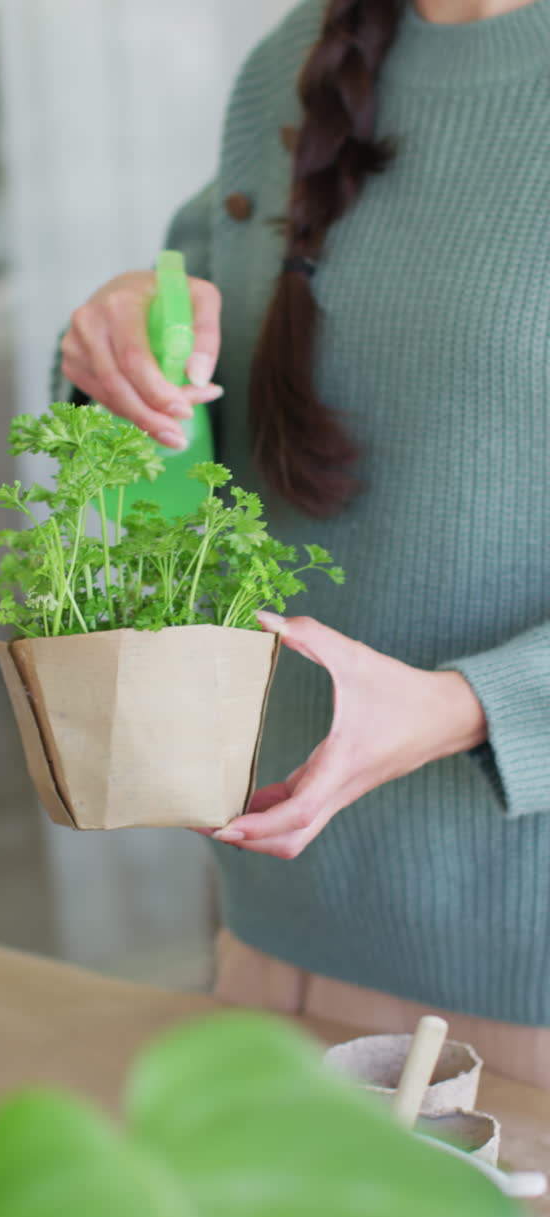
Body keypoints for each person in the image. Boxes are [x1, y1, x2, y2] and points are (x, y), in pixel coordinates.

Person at [57, 0, 550, 1086]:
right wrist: (117, 345)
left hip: (532, 986)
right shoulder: (294, 61)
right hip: (279, 940)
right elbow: (198, 408)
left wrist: (465, 704)